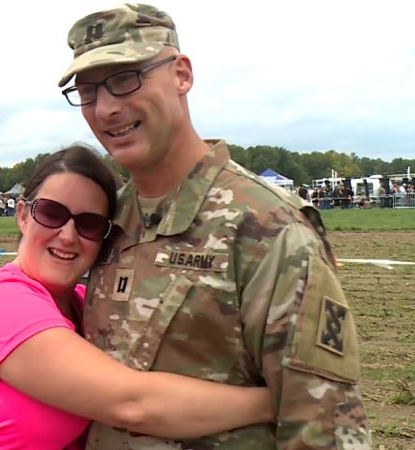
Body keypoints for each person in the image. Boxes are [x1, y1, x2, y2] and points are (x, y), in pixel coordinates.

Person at [58, 4, 369, 449]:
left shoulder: (267, 226)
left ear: (181, 74)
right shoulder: (107, 220)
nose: (106, 108)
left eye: (125, 78)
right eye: (87, 91)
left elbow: (321, 418)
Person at [0, 146, 274, 450]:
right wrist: (276, 400)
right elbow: (131, 404)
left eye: (89, 223)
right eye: (52, 214)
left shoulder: (89, 304)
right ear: (23, 215)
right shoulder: (1, 306)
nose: (68, 235)